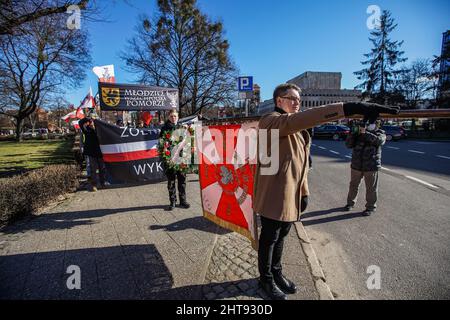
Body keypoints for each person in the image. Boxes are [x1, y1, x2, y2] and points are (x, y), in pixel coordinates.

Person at [253, 83, 399, 300]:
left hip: (291, 193)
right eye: (292, 98)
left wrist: (304, 191)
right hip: (273, 193)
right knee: (270, 237)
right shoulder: (270, 120)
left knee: (283, 234)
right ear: (279, 101)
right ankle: (265, 278)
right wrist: (351, 107)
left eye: (298, 100)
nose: (297, 103)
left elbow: (301, 165)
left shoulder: (296, 127)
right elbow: (305, 119)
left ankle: (276, 271)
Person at [344, 120, 386, 216]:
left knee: (371, 188)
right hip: (356, 165)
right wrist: (352, 133)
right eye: (369, 123)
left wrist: (365, 133)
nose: (370, 125)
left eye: (373, 123)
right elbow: (348, 145)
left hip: (371, 165)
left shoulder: (381, 133)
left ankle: (370, 207)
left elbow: (379, 141)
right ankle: (350, 203)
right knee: (353, 185)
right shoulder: (358, 133)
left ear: (377, 125)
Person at [160, 109, 190, 210]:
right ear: (169, 117)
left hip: (181, 158)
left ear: (178, 117)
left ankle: (183, 201)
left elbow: (188, 142)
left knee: (182, 180)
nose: (174, 118)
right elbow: (162, 143)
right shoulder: (164, 128)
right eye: (172, 116)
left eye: (175, 116)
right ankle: (172, 201)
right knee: (171, 181)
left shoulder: (182, 127)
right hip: (170, 159)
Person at [79, 115, 106, 192]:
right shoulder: (86, 130)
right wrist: (88, 118)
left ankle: (103, 183)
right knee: (93, 169)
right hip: (91, 153)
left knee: (102, 169)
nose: (91, 123)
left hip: (100, 152)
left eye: (93, 122)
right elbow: (80, 122)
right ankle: (94, 185)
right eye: (90, 122)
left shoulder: (99, 130)